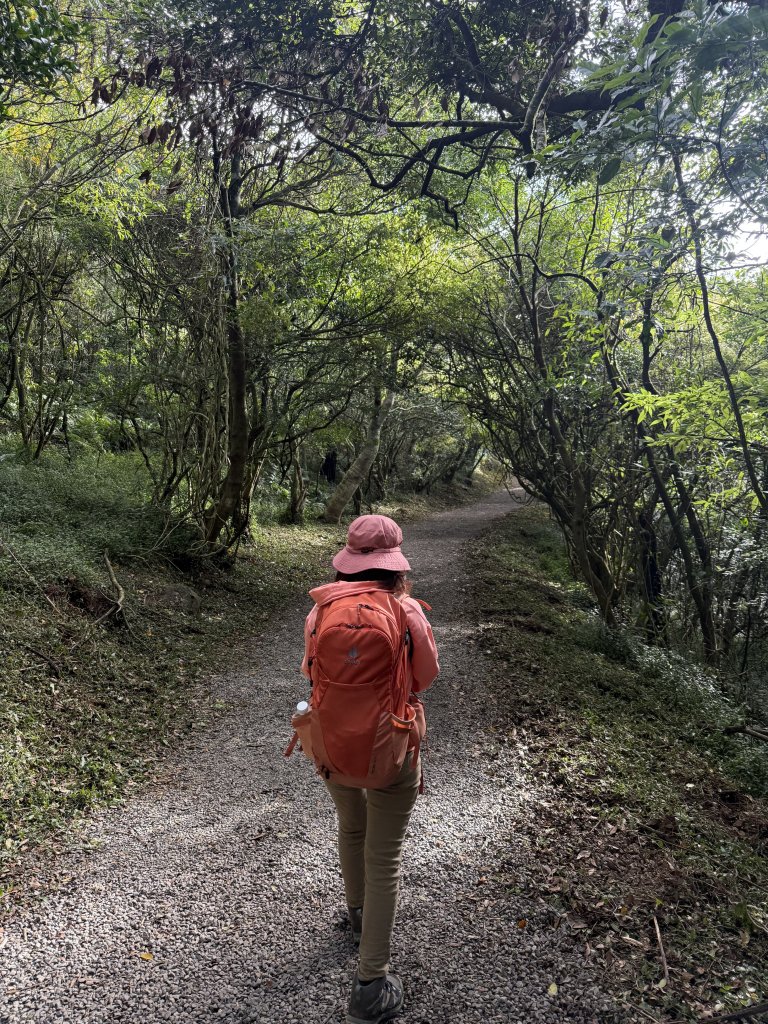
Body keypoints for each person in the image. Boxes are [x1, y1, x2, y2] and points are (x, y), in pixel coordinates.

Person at [301, 514, 439, 1024]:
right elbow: (425, 677)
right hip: (390, 752)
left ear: (348, 560)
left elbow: (308, 672)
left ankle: (356, 915)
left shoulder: (320, 612)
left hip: (332, 748)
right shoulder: (405, 612)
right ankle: (369, 987)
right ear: (394, 564)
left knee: (349, 825)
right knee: (386, 858)